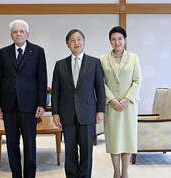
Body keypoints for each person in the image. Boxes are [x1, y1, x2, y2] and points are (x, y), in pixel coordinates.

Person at [0, 19, 47, 178]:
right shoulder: (4, 52)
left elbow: (42, 79)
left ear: (27, 34)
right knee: (11, 144)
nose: (18, 34)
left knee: (30, 144)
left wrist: (42, 103)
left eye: (21, 31)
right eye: (15, 31)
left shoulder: (37, 51)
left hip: (29, 106)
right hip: (8, 105)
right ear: (11, 35)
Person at [51, 29, 105, 178]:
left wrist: (100, 110)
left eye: (79, 39)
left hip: (87, 112)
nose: (76, 42)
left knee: (87, 150)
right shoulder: (60, 64)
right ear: (67, 44)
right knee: (70, 150)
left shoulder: (94, 63)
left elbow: (100, 88)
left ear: (84, 42)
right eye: (73, 40)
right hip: (66, 113)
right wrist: (55, 113)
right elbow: (55, 90)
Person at [99, 26, 142, 178]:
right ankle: (116, 173)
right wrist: (111, 99)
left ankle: (125, 172)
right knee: (114, 140)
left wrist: (126, 99)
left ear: (125, 40)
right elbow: (101, 82)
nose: (117, 42)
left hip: (128, 106)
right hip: (111, 106)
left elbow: (137, 80)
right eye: (113, 39)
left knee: (128, 139)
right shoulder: (103, 59)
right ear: (110, 41)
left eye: (120, 39)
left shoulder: (134, 58)